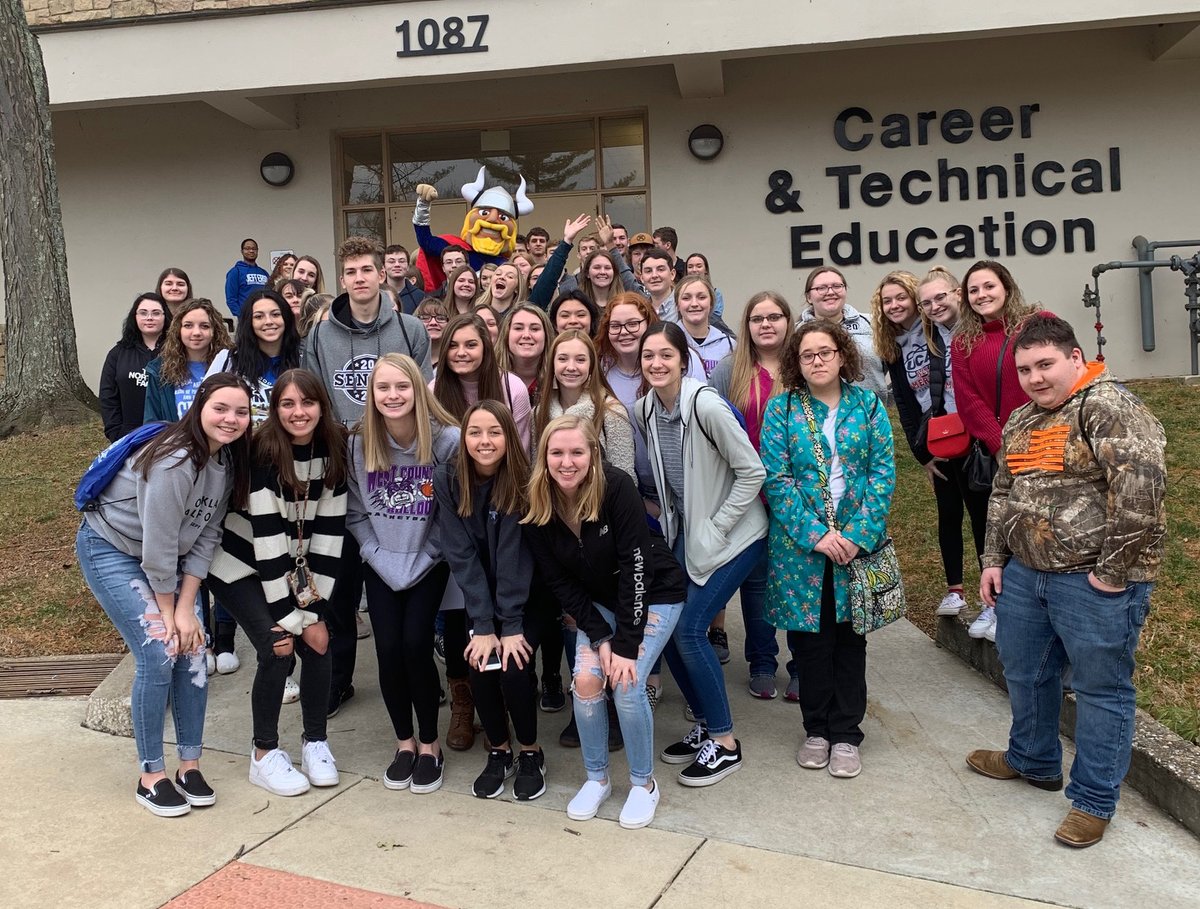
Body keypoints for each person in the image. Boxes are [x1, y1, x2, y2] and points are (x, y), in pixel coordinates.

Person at [967, 314, 1166, 849]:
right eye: (1025, 368)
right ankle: (1032, 758)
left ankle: (1094, 801)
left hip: (1094, 583)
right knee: (1026, 672)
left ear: (1076, 359)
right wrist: (993, 559)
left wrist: (1111, 575)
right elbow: (1003, 492)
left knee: (1102, 690)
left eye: (1046, 365)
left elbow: (1142, 495)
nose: (1035, 377)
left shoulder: (1107, 406)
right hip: (1026, 576)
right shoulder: (1022, 420)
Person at [76, 373, 251, 816]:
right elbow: (158, 547)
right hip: (113, 548)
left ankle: (188, 765)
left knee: (193, 651)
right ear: (199, 407)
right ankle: (150, 775)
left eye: (241, 411)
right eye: (221, 409)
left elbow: (206, 536)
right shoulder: (176, 460)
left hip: (168, 563)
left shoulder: (223, 461)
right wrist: (172, 613)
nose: (231, 419)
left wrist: (189, 609)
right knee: (160, 650)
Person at [522, 415, 687, 828]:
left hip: (653, 592)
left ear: (593, 455)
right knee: (586, 681)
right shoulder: (539, 501)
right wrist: (599, 634)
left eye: (577, 452)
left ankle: (643, 784)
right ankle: (597, 779)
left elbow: (636, 567)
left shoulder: (617, 487)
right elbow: (559, 581)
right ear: (544, 457)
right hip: (597, 604)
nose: (566, 462)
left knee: (627, 684)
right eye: (556, 453)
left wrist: (626, 646)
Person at [760, 320, 895, 780]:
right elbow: (775, 479)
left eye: (825, 351)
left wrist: (858, 533)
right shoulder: (781, 411)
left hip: (854, 548)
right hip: (802, 550)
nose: (817, 361)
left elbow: (883, 473)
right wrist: (815, 534)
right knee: (809, 644)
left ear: (842, 355)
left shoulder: (869, 405)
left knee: (848, 642)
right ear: (796, 364)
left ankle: (847, 734)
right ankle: (816, 730)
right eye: (807, 355)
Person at [302, 237, 432, 715]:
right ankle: (339, 678)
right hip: (343, 465)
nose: (359, 278)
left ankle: (421, 672)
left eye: (367, 270)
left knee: (407, 567)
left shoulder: (410, 328)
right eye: (351, 271)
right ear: (342, 280)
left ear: (383, 275)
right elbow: (313, 394)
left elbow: (421, 394)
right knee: (339, 577)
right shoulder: (319, 336)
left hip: (400, 465)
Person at [635, 323, 768, 786]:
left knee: (691, 629)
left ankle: (726, 742)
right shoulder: (647, 410)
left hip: (739, 536)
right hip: (691, 537)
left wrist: (717, 525)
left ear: (683, 359)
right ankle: (706, 727)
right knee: (667, 630)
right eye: (648, 355)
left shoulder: (706, 404)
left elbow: (753, 472)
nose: (656, 363)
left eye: (665, 355)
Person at [206, 370, 348, 796]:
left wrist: (314, 612)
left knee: (321, 639)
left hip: (295, 562)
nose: (298, 412)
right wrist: (290, 618)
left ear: (321, 405)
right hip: (239, 564)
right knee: (277, 647)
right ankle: (264, 754)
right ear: (275, 409)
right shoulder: (265, 452)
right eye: (287, 404)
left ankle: (315, 741)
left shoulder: (333, 450)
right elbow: (268, 544)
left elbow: (329, 533)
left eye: (307, 403)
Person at [347, 354, 460, 793]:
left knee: (416, 645)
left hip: (429, 561)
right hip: (380, 561)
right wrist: (375, 553)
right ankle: (405, 744)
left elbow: (452, 514)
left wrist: (428, 554)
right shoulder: (360, 444)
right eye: (383, 388)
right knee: (388, 651)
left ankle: (431, 745)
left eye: (402, 387)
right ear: (371, 396)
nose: (393, 396)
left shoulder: (446, 442)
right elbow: (355, 513)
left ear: (417, 390)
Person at [432, 402, 547, 801]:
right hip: (479, 594)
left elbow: (516, 557)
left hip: (526, 596)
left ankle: (531, 752)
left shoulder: (524, 480)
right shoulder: (448, 479)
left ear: (509, 437)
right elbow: (460, 554)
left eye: (494, 432)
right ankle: (500, 750)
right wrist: (482, 625)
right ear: (463, 438)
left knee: (514, 667)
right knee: (479, 663)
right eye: (475, 432)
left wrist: (509, 626)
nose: (485, 441)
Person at [878, 267, 990, 623]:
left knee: (981, 513)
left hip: (972, 432)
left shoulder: (941, 333)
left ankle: (993, 600)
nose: (896, 305)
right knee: (948, 512)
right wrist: (923, 454)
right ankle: (955, 590)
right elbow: (907, 403)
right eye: (887, 300)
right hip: (940, 435)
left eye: (903, 298)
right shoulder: (894, 346)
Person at [950, 260, 1047, 639]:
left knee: (1040, 527)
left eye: (988, 286)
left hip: (1045, 445)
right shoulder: (963, 341)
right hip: (998, 452)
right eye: (973, 290)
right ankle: (996, 607)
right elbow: (967, 399)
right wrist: (1001, 445)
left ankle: (1037, 610)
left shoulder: (1037, 323)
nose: (981, 295)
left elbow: (1056, 378)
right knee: (996, 530)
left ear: (1006, 286)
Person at [708, 291, 794, 700]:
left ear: (787, 320)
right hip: (749, 494)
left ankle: (801, 664)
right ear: (747, 325)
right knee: (757, 583)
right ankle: (762, 660)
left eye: (774, 316)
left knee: (796, 582)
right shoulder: (729, 370)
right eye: (757, 318)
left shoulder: (802, 367)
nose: (766, 324)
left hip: (797, 494)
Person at [537, 330, 635, 480]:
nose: (571, 367)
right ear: (552, 364)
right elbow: (536, 470)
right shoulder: (539, 413)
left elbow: (625, 477)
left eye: (580, 360)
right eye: (562, 359)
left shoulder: (612, 412)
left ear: (591, 365)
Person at [207, 288, 302, 425]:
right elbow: (203, 405)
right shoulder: (228, 359)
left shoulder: (303, 358)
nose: (268, 321)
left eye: (275, 314)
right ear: (249, 322)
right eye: (259, 316)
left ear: (286, 318)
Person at [798, 267, 887, 399]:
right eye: (821, 288)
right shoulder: (796, 333)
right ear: (808, 297)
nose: (830, 292)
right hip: (814, 415)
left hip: (870, 412)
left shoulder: (873, 324)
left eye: (837, 286)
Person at [144, 298, 232, 423]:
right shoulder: (159, 370)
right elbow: (151, 422)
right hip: (173, 441)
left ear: (214, 331)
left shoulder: (229, 366)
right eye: (188, 325)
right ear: (178, 330)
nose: (196, 332)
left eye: (205, 326)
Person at [100, 292, 167, 442]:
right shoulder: (118, 354)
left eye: (156, 313)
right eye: (143, 313)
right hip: (128, 436)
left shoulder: (177, 353)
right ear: (135, 317)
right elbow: (108, 396)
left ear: (165, 317)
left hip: (169, 435)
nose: (149, 317)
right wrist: (115, 432)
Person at [674, 275, 734, 378]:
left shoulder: (730, 346)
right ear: (677, 305)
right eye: (686, 298)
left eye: (701, 297)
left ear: (711, 303)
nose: (694, 304)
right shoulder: (667, 341)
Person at [224, 238, 270, 318]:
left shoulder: (264, 273)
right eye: (247, 248)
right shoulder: (235, 272)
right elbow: (231, 299)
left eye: (254, 249)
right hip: (246, 319)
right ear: (242, 251)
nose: (251, 251)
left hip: (264, 317)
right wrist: (243, 316)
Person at [639, 249, 678, 323]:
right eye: (648, 271)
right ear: (642, 278)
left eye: (660, 269)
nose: (654, 275)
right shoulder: (640, 309)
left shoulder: (682, 306)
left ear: (672, 274)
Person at [684, 253, 725, 317]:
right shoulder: (679, 293)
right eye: (690, 267)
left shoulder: (716, 293)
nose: (694, 270)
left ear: (706, 270)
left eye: (699, 266)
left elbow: (716, 317)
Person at [415, 299, 451, 368]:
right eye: (425, 318)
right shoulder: (408, 358)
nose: (433, 323)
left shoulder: (454, 358)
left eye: (440, 318)